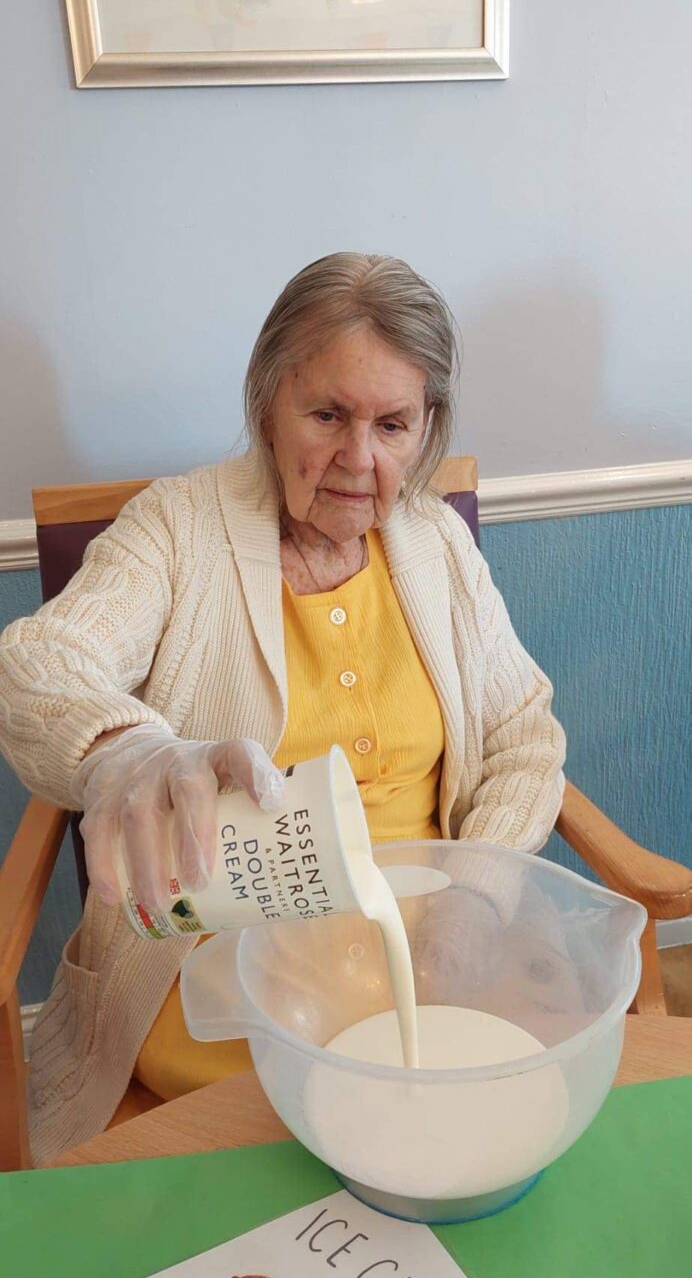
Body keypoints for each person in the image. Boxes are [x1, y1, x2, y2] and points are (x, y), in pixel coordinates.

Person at [0, 253, 565, 1163]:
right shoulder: (177, 528)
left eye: (393, 424)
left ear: (426, 428)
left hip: (435, 981)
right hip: (222, 1009)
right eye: (327, 415)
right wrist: (125, 753)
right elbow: (38, 664)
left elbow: (522, 734)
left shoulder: (436, 542)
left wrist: (474, 895)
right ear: (267, 403)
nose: (360, 459)